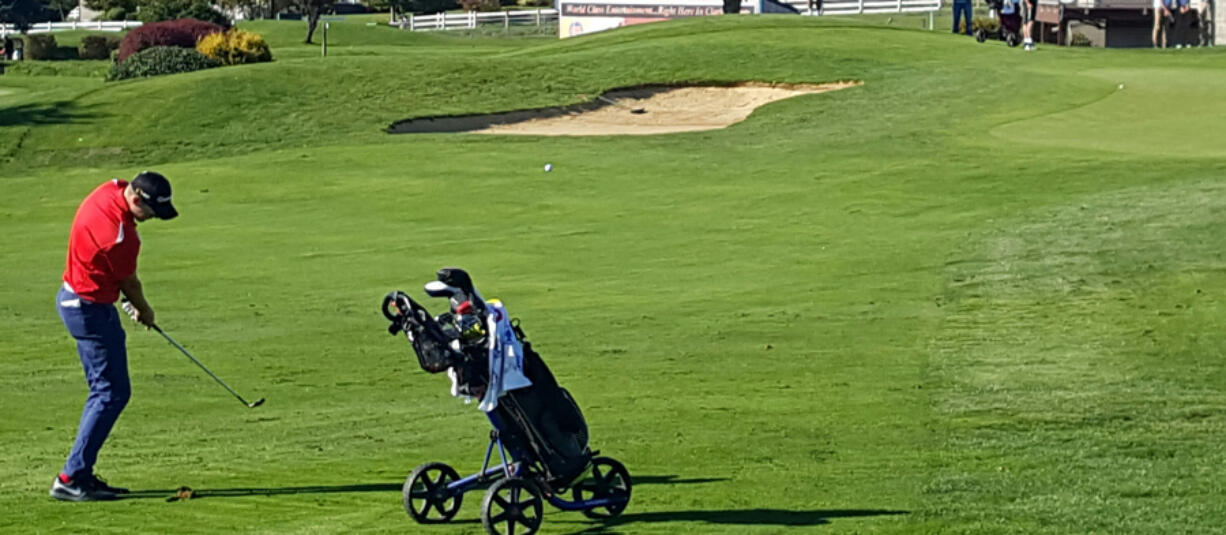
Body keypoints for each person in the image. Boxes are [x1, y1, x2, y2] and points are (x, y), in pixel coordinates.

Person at [51, 171, 178, 502]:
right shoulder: (122, 237)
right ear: (135, 199)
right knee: (111, 393)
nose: (150, 219)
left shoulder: (112, 189)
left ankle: (79, 474)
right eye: (149, 212)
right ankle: (71, 477)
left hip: (78, 299)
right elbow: (130, 283)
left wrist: (122, 298)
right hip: (89, 311)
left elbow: (110, 271)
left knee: (104, 391)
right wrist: (144, 310)